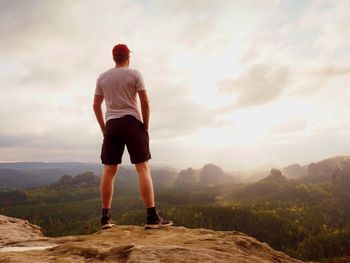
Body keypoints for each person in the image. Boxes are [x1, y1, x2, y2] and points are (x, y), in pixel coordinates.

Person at [93, 44, 173, 230]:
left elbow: (96, 105)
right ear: (128, 56)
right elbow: (145, 101)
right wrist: (145, 125)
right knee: (143, 168)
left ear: (114, 57)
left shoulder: (102, 78)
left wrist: (104, 128)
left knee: (109, 170)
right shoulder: (135, 74)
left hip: (112, 124)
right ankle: (151, 217)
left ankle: (105, 219)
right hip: (132, 122)